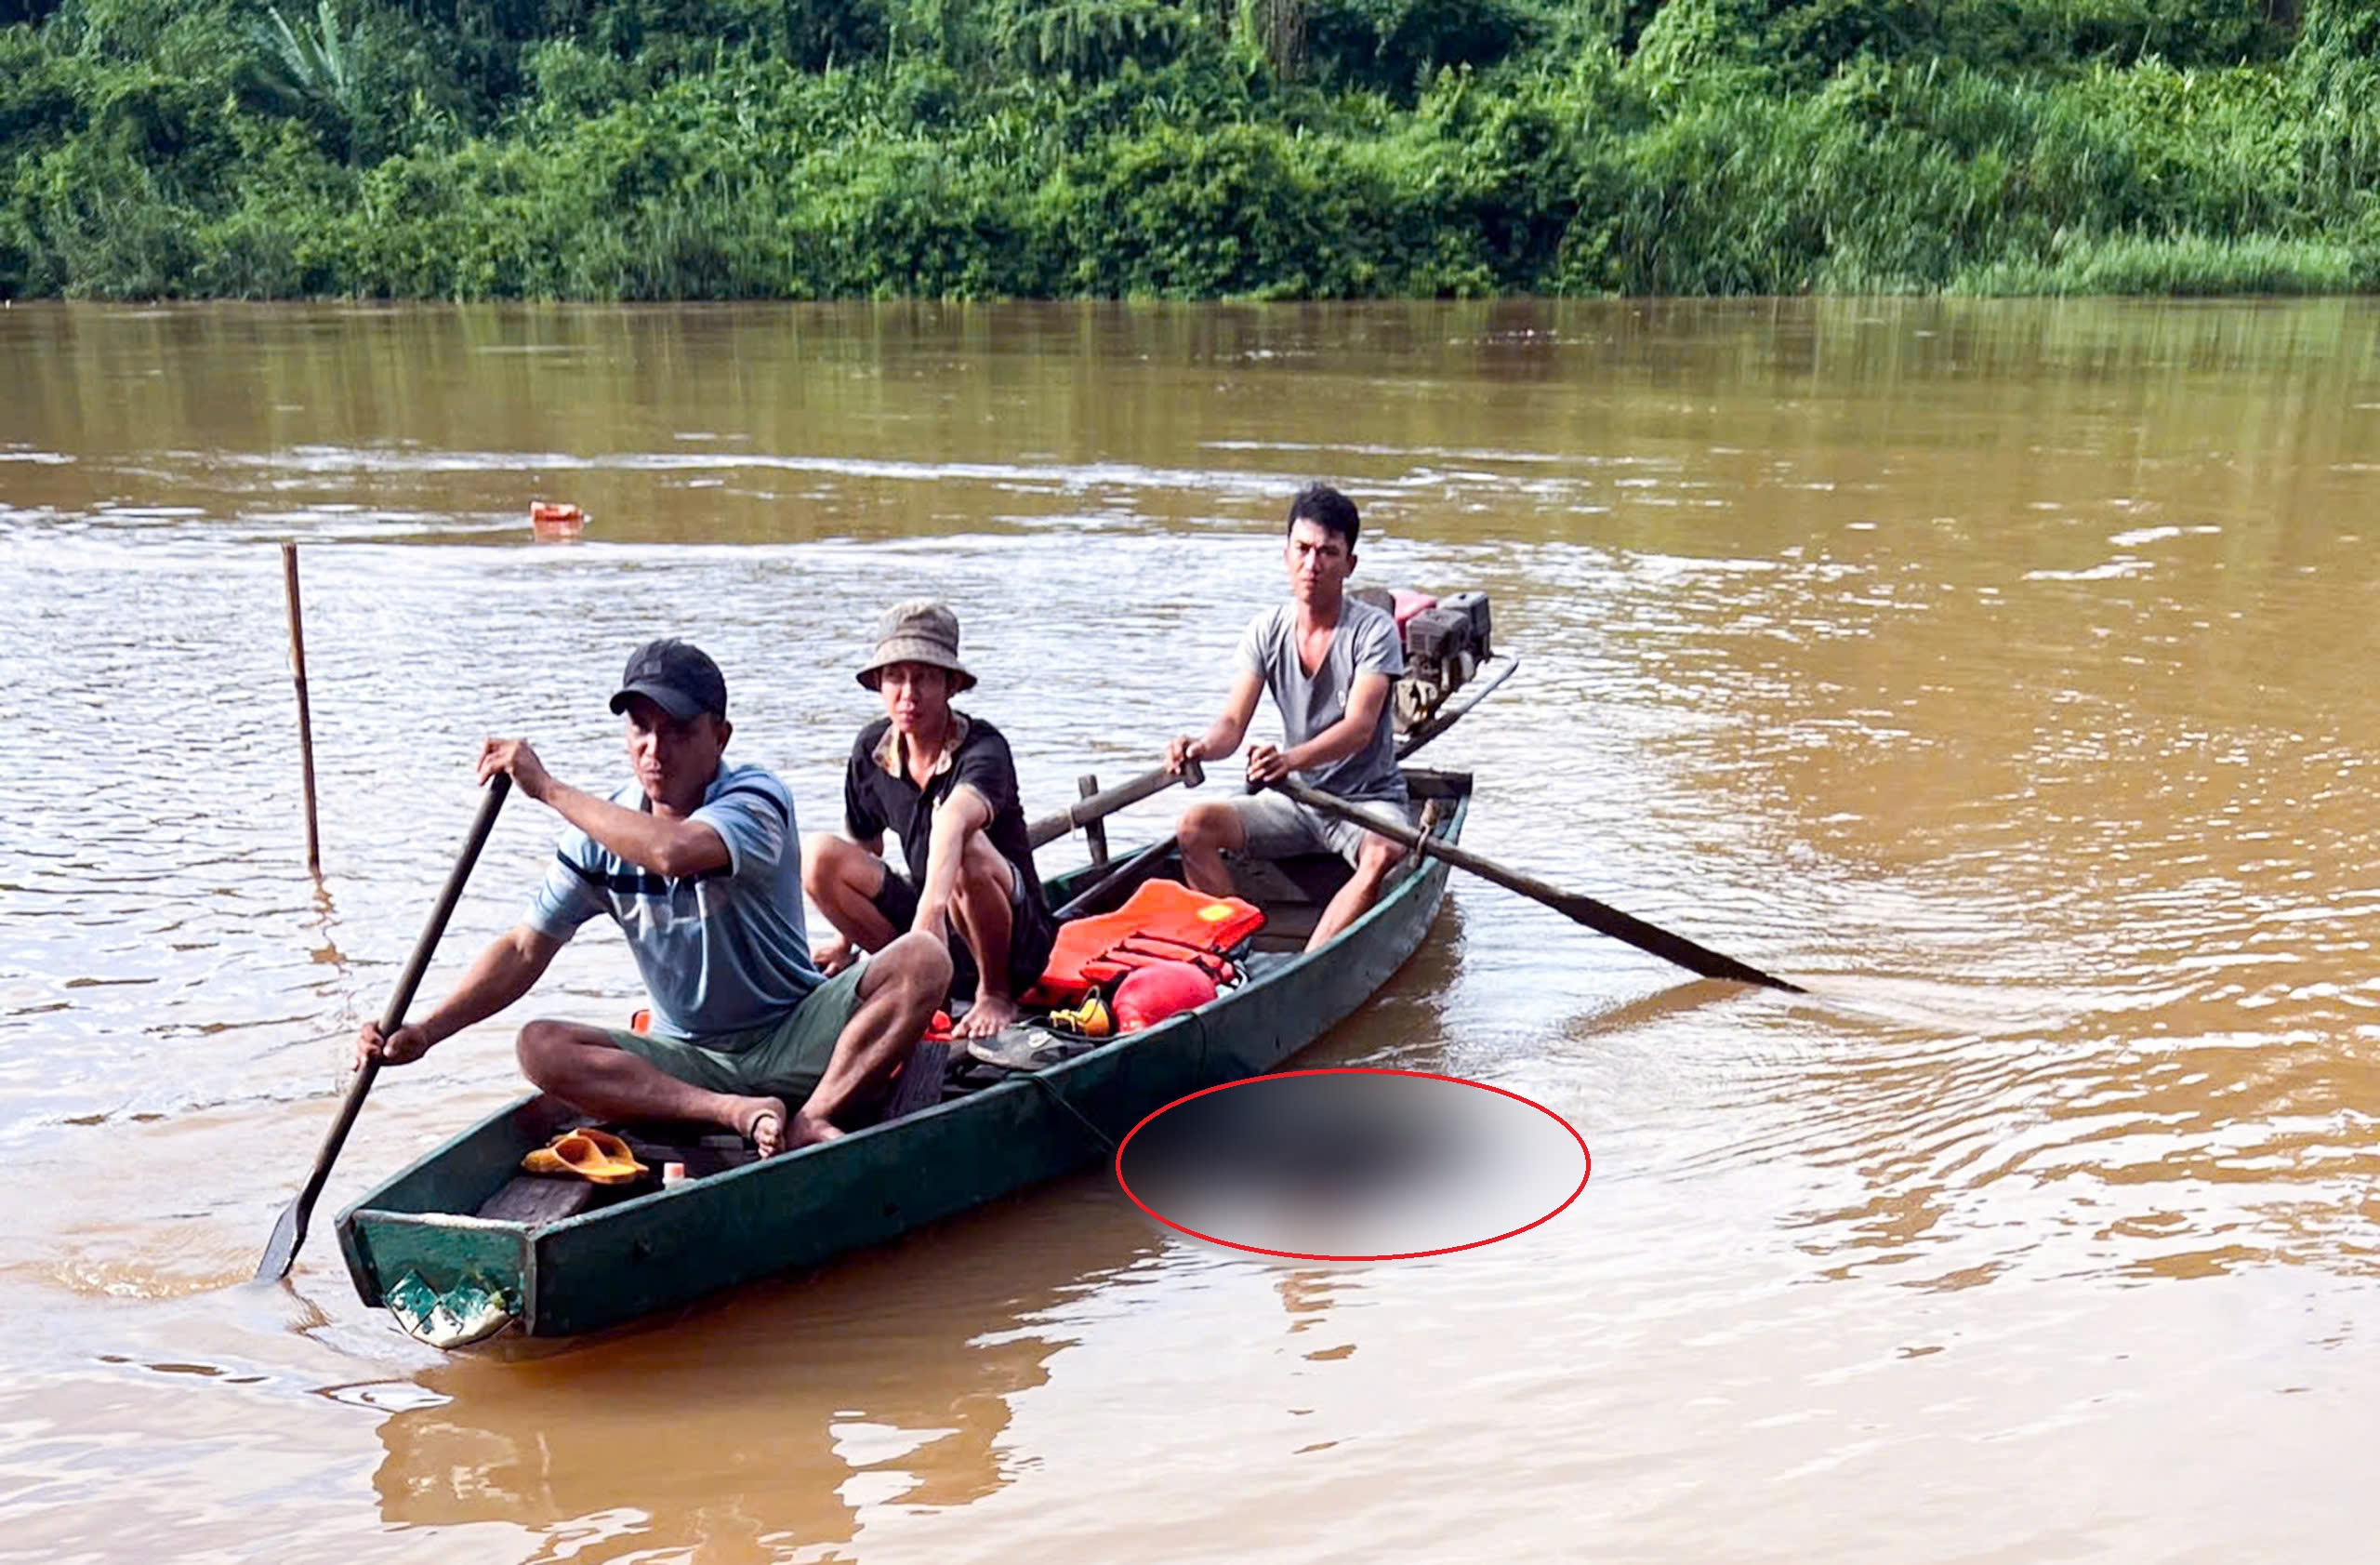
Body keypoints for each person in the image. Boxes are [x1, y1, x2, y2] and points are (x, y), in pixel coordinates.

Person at [354, 639, 951, 1156]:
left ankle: (814, 1115)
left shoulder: (755, 798)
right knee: (539, 1046)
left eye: (678, 731)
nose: (654, 750)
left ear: (719, 736)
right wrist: (427, 1032)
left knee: (924, 958)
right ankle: (731, 1112)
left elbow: (674, 851)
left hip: (794, 1033)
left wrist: (547, 788)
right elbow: (523, 950)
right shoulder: (598, 836)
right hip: (688, 1063)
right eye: (641, 728)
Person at [1166, 483, 1409, 950]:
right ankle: (1237, 952)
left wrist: (1289, 761)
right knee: (1193, 827)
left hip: (1365, 800)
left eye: (1327, 553)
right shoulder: (1267, 629)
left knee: (1381, 854)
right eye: (1302, 549)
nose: (1312, 565)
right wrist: (1198, 747)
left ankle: (1312, 962)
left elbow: (1359, 729)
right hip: (1295, 801)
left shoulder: (1373, 631)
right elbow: (1231, 727)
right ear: (1286, 555)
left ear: (1349, 564)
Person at [804, 602, 1059, 1041]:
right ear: (879, 685)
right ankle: (913, 979)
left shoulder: (984, 747)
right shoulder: (871, 749)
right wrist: (845, 945)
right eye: (895, 678)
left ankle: (993, 994)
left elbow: (956, 818)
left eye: (923, 677)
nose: (908, 694)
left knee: (967, 848)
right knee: (817, 857)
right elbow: (865, 849)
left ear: (950, 685)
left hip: (1015, 940)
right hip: (934, 928)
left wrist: (930, 915)